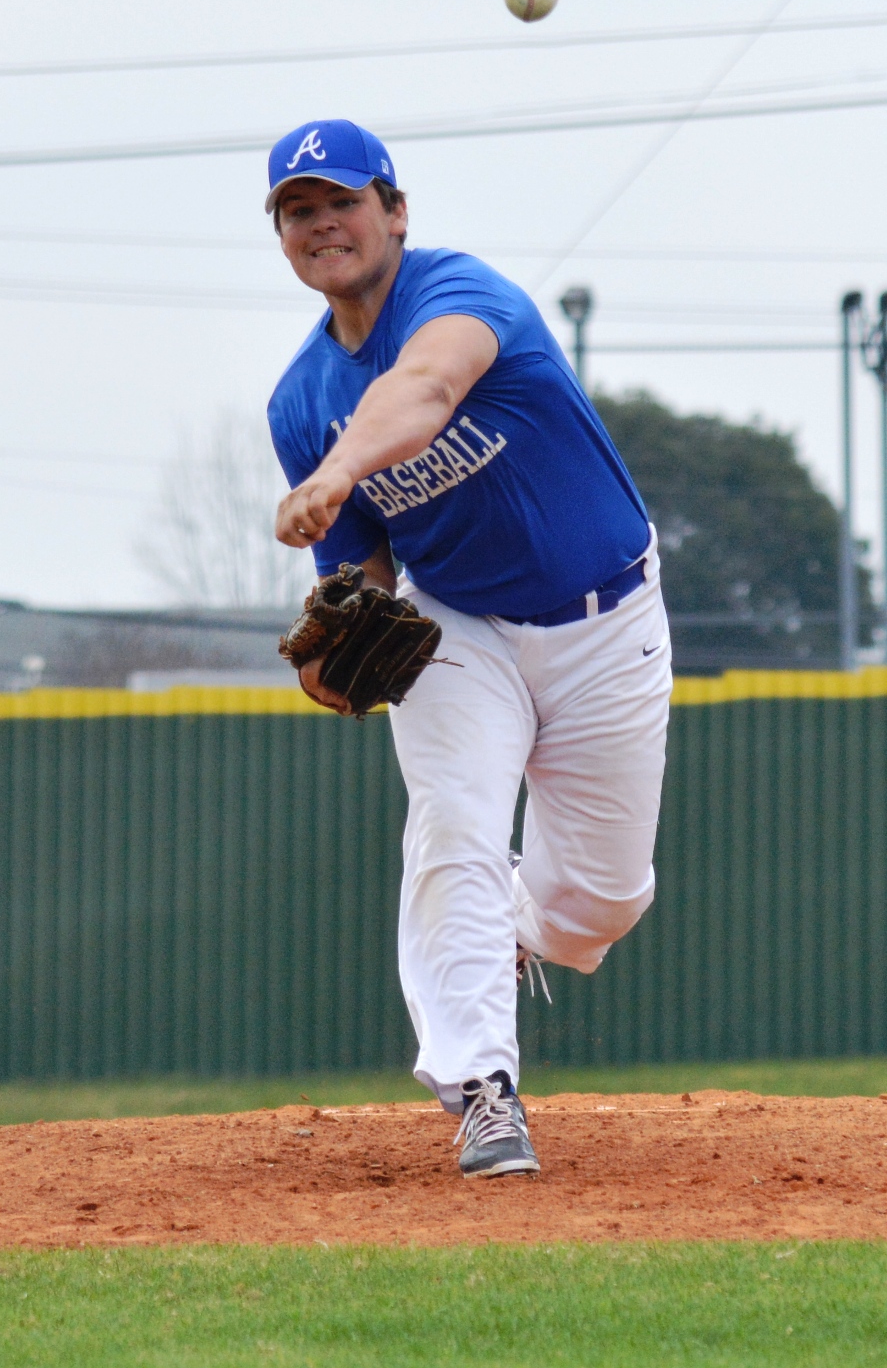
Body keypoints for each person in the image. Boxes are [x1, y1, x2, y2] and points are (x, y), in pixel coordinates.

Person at [263, 119, 672, 1178]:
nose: (322, 224)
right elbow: (362, 576)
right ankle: (481, 1089)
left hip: (606, 616)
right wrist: (330, 641)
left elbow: (427, 389)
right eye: (296, 211)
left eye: (341, 201)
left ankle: (508, 926)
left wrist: (338, 471)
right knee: (453, 825)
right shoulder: (298, 401)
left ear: (394, 212)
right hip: (460, 629)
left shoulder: (461, 294)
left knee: (606, 901)